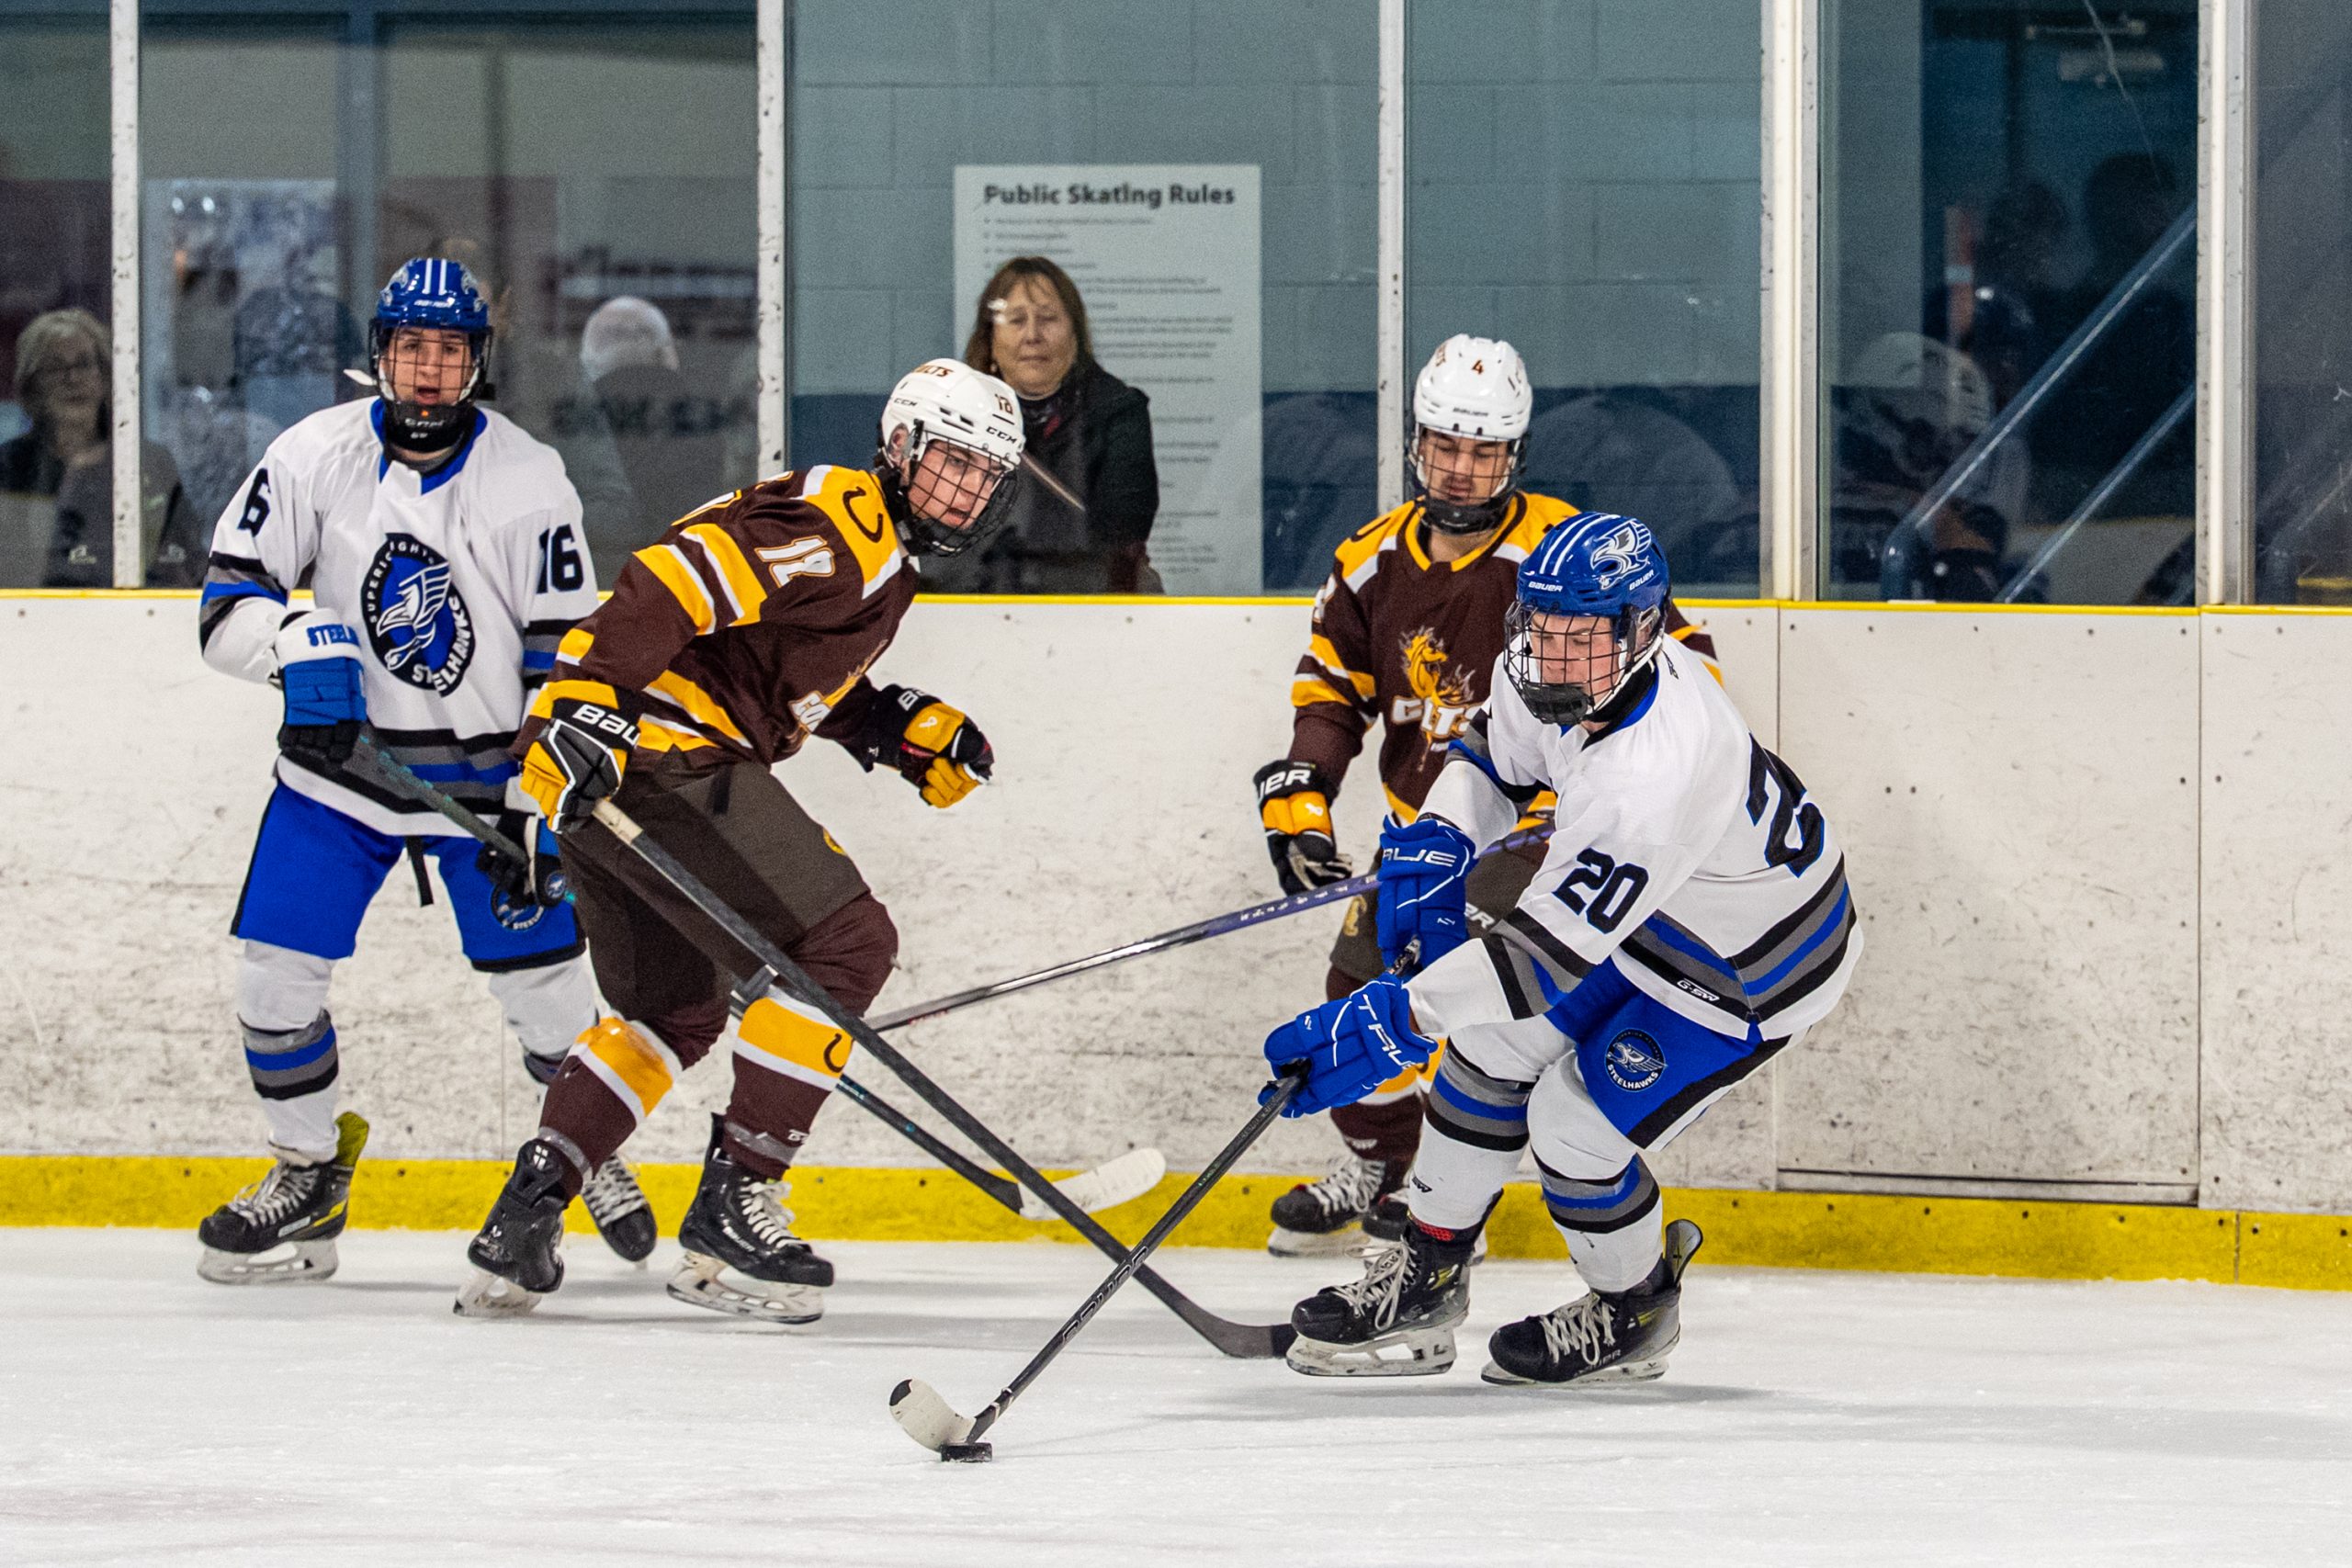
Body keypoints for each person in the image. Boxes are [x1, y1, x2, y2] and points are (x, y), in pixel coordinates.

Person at [458, 355, 1026, 1325]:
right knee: (849, 945)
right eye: (951, 462)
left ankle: (524, 1217)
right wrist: (577, 702)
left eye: (985, 475)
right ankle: (736, 1198)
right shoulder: (845, 527)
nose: (965, 490)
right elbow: (675, 581)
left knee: (670, 1016)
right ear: (899, 446)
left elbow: (765, 668)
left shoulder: (877, 555)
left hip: (625, 773)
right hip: (653, 759)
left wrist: (889, 728)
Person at [1261, 513, 1860, 1385]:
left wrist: (1400, 1017)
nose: (1556, 657)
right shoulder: (1544, 668)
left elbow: (1539, 961)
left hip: (1753, 967)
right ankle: (1426, 1279)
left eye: (1584, 638)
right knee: (1484, 1048)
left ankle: (1633, 1310)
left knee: (1573, 1125)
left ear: (1645, 629)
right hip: (1658, 914)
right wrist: (1441, 831)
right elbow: (1495, 757)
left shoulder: (1653, 773)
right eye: (1543, 629)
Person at [190, 258, 655, 1283]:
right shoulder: (312, 456)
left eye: (449, 351)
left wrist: (545, 796)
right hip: (340, 777)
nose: (430, 371)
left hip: (483, 787)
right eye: (412, 349)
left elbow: (563, 654)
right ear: (380, 355)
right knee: (271, 978)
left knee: (546, 998)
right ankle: (307, 1171)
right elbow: (224, 611)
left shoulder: (529, 476)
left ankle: (592, 1149)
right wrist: (294, 648)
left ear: (477, 362)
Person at [1253, 335, 1716, 1257]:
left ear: (1516, 454)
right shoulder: (1368, 560)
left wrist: (1598, 786)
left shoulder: (1559, 551)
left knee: (1460, 1003)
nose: (1462, 471)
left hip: (1537, 839)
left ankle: (1442, 1200)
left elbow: (1684, 664)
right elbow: (1330, 690)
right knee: (1355, 983)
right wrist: (1299, 802)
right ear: (1417, 445)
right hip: (1424, 832)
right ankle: (1386, 1164)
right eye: (1446, 447)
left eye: (1485, 451)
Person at [928, 254, 1159, 592]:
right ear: (990, 341)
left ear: (1076, 336)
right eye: (1016, 320)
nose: (1033, 335)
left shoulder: (1119, 412)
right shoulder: (951, 418)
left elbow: (1125, 530)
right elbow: (937, 531)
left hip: (1092, 606)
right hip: (973, 605)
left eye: (1048, 319)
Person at [0, 308, 204, 588]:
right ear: (32, 385)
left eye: (84, 364)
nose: (72, 379)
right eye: (55, 367)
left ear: (106, 378)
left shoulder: (148, 463)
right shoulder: (8, 467)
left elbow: (186, 565)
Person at [551, 296, 732, 575]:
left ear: (589, 357)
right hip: (691, 574)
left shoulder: (571, 417)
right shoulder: (706, 415)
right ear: (664, 353)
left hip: (601, 575)